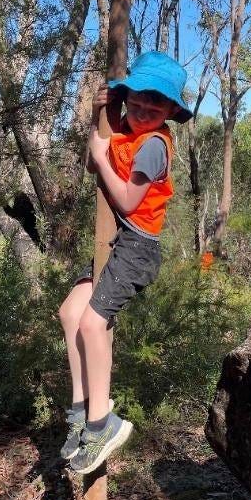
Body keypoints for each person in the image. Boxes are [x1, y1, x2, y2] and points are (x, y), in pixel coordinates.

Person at [58, 51, 192, 474]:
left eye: (157, 102)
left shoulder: (154, 144)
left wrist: (100, 156)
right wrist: (100, 121)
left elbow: (131, 201)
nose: (145, 108)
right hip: (113, 241)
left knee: (93, 323)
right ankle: (82, 410)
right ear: (127, 95)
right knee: (70, 313)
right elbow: (92, 163)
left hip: (137, 245)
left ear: (171, 109)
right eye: (138, 98)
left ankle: (103, 425)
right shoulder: (123, 128)